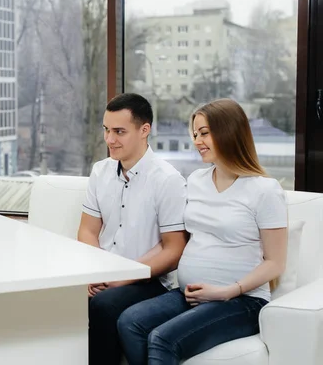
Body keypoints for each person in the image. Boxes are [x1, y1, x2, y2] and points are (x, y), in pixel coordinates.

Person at [117, 98, 288, 365]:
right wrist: (125, 269)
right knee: (130, 321)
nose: (197, 140)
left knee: (162, 338)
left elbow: (275, 262)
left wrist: (228, 291)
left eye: (205, 133)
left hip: (241, 301)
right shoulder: (196, 180)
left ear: (229, 131)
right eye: (195, 134)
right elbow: (178, 239)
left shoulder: (264, 190)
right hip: (190, 294)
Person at [77, 93, 188, 365]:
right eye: (106, 130)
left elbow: (174, 250)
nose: (109, 139)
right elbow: (87, 232)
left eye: (119, 132)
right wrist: (98, 272)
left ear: (144, 130)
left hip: (149, 282)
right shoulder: (100, 172)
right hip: (104, 274)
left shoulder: (168, 180)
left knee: (103, 304)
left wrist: (122, 277)